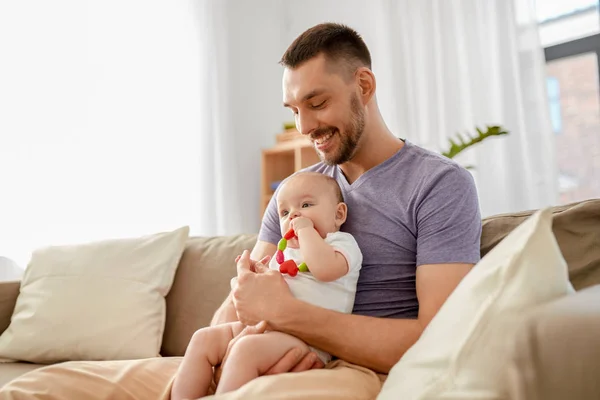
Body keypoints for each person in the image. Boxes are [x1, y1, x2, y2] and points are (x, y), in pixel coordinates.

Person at [211, 22, 481, 383]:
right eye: (293, 110)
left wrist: (287, 315)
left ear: (364, 86)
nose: (304, 126)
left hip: (364, 373)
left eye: (317, 103)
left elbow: (440, 339)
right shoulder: (296, 193)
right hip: (259, 362)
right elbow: (230, 315)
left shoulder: (438, 185)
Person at [171, 172, 363, 399]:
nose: (294, 215)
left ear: (338, 214)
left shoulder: (341, 244)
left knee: (245, 350)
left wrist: (304, 230)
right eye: (284, 212)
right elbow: (264, 294)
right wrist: (255, 274)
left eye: (306, 204)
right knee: (203, 338)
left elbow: (323, 268)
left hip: (307, 342)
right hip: (266, 328)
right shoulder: (285, 253)